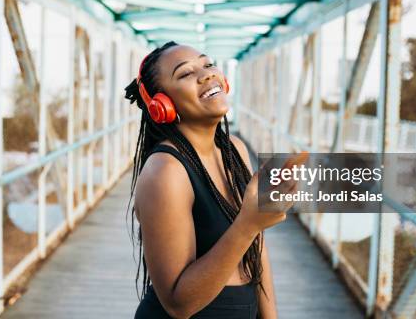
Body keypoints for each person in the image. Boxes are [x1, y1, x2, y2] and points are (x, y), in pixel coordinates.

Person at [124, 41, 296, 318]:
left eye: (207, 64)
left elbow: (256, 248)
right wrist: (248, 224)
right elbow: (179, 304)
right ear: (162, 105)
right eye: (184, 74)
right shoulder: (166, 171)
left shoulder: (235, 149)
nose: (206, 74)